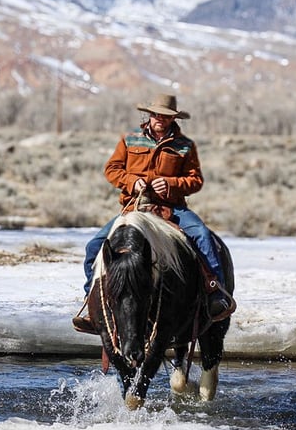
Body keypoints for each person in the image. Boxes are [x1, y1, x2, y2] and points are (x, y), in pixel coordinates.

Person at [72, 93, 236, 334]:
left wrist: (171, 184)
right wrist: (131, 181)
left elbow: (195, 180)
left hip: (172, 209)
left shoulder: (184, 146)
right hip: (134, 207)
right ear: (149, 115)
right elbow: (112, 169)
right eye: (157, 114)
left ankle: (215, 293)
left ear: (173, 119)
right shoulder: (129, 140)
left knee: (202, 235)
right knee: (94, 247)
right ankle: (92, 303)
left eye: (166, 116)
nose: (160, 119)